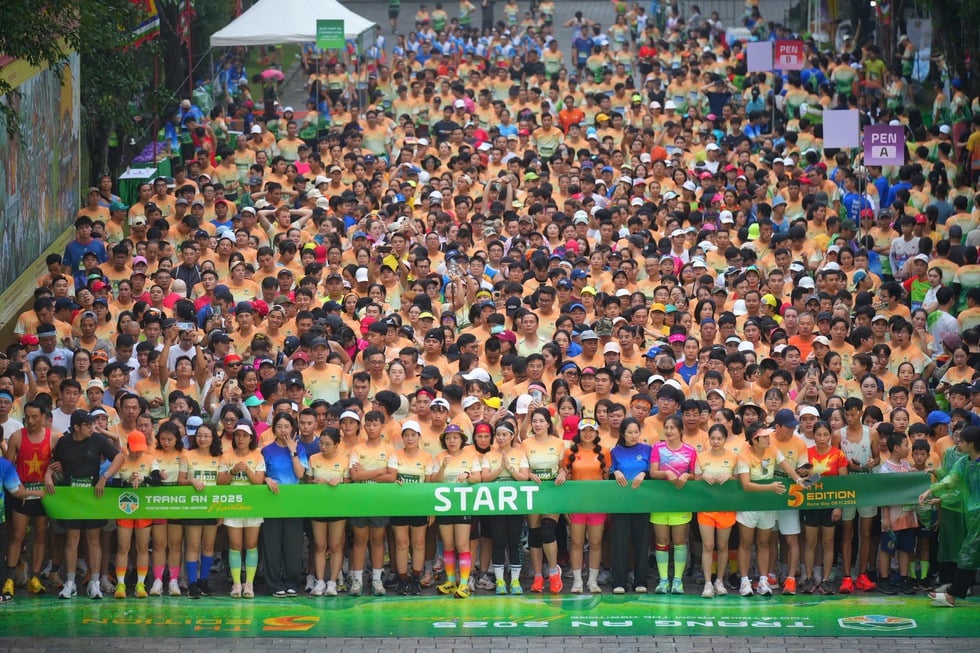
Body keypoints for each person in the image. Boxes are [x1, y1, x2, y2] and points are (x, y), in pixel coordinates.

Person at [44, 409, 124, 600]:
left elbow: (120, 457)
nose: (92, 427)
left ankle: (95, 583)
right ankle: (70, 582)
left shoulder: (97, 440)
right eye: (88, 425)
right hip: (71, 497)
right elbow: (55, 462)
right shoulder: (63, 442)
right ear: (76, 427)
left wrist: (105, 477)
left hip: (93, 496)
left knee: (93, 539)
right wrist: (49, 473)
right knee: (72, 539)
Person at [735, 424, 804, 597]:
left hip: (767, 505)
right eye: (764, 437)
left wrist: (798, 479)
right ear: (754, 440)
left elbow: (787, 467)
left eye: (768, 436)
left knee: (764, 542)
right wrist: (770, 487)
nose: (768, 439)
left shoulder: (772, 450)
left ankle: (763, 581)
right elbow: (746, 484)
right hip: (748, 505)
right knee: (745, 542)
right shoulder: (743, 456)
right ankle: (744, 582)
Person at [919, 426, 980, 607]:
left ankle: (953, 594)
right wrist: (931, 489)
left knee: (969, 552)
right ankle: (954, 593)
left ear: (971, 444)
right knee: (969, 552)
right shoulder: (962, 463)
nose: (957, 444)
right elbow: (950, 479)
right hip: (974, 516)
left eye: (961, 441)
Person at [3, 400, 58, 597]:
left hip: (43, 495)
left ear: (44, 417)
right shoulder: (16, 437)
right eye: (28, 417)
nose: (31, 421)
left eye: (35, 417)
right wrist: (18, 489)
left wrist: (51, 473)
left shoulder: (54, 438)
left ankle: (35, 577)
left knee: (41, 535)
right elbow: (7, 467)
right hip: (22, 494)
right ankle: (9, 578)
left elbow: (59, 465)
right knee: (17, 536)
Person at [558, 417, 609, 594]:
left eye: (591, 430)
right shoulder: (569, 453)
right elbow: (565, 478)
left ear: (596, 433)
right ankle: (578, 581)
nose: (587, 434)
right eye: (584, 430)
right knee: (577, 543)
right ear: (579, 433)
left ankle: (592, 581)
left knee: (595, 543)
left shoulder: (604, 451)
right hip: (577, 505)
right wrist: (566, 507)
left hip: (596, 505)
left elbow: (607, 479)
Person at [178, 421, 228, 599]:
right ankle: (192, 582)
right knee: (192, 545)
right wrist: (192, 481)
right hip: (193, 507)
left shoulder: (220, 458)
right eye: (200, 435)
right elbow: (180, 480)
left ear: (213, 437)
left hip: (212, 507)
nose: (203, 438)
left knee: (208, 545)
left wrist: (222, 510)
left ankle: (203, 581)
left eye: (207, 435)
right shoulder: (187, 455)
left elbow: (223, 486)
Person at [648, 415, 697, 594]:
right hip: (660, 501)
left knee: (679, 541)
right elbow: (653, 472)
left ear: (680, 431)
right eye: (666, 427)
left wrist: (687, 476)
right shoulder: (657, 448)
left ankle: (677, 580)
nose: (668, 431)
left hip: (681, 502)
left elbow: (695, 475)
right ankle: (663, 580)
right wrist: (667, 473)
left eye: (672, 428)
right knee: (661, 541)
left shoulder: (690, 451)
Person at [434, 423, 483, 598]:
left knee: (462, 545)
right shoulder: (440, 457)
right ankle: (450, 581)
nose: (452, 441)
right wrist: (443, 468)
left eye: (455, 437)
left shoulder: (470, 456)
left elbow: (478, 478)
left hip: (463, 505)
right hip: (445, 506)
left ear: (462, 439)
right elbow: (434, 482)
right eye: (448, 438)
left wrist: (468, 476)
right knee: (447, 545)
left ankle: (463, 583)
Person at [261, 412, 308, 597]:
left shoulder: (300, 449)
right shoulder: (266, 450)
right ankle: (274, 584)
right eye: (279, 426)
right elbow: (260, 473)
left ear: (293, 428)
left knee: (293, 545)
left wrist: (293, 451)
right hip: (272, 501)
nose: (283, 430)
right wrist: (266, 479)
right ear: (273, 429)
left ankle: (292, 583)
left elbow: (300, 474)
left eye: (287, 426)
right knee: (272, 545)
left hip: (293, 503)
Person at [520, 406, 566, 593]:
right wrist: (529, 474)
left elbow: (564, 467)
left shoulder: (558, 443)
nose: (538, 424)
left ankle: (554, 572)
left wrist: (563, 472)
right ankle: (538, 576)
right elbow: (522, 467)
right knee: (535, 535)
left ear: (548, 423)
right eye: (535, 421)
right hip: (532, 493)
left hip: (551, 492)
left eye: (541, 421)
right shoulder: (526, 443)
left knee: (548, 531)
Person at [799, 420, 848, 595]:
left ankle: (826, 580)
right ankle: (809, 578)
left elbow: (843, 483)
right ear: (814, 435)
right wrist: (815, 477)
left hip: (830, 505)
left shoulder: (838, 455)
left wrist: (838, 506)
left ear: (830, 436)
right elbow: (802, 481)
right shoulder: (806, 454)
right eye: (818, 434)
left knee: (828, 542)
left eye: (825, 434)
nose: (821, 438)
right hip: (811, 503)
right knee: (810, 542)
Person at [386, 420, 434, 595]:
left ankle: (415, 579)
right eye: (406, 435)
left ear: (419, 437)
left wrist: (431, 510)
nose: (409, 438)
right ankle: (402, 578)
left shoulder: (427, 457)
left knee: (419, 543)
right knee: (401, 543)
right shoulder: (395, 455)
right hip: (399, 506)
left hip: (419, 506)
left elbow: (429, 486)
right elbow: (391, 478)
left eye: (413, 435)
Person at [482, 420, 528, 594]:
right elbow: (484, 478)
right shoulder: (489, 456)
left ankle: (515, 581)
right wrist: (500, 468)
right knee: (499, 541)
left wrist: (510, 469)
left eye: (504, 435)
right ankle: (500, 580)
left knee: (513, 542)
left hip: (515, 505)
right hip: (495, 505)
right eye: (498, 435)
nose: (501, 438)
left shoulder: (519, 454)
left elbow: (524, 477)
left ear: (512, 436)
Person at [609, 416, 652, 594]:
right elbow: (610, 472)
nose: (634, 435)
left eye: (636, 432)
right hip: (620, 503)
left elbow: (653, 469)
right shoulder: (615, 451)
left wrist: (644, 473)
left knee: (642, 542)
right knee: (620, 541)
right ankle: (618, 582)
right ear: (623, 434)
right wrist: (616, 472)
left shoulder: (647, 449)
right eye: (630, 432)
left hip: (642, 502)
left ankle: (640, 580)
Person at [224, 418, 266, 598]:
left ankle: (249, 584)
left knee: (251, 544)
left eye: (244, 436)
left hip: (253, 505)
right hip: (232, 505)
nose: (240, 439)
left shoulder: (258, 456)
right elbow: (221, 482)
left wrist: (247, 470)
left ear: (251, 438)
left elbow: (259, 481)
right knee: (235, 544)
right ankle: (236, 584)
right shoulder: (226, 455)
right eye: (238, 435)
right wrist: (232, 471)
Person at [111, 430, 156, 599]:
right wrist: (127, 481)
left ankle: (140, 584)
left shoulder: (151, 460)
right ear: (128, 447)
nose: (137, 452)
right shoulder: (121, 460)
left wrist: (145, 479)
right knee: (123, 547)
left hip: (144, 509)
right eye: (134, 449)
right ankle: (121, 584)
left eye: (140, 449)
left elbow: (157, 480)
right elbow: (114, 483)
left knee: (142, 547)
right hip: (125, 508)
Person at [695, 424, 739, 598]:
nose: (715, 441)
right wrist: (702, 477)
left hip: (726, 508)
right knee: (708, 545)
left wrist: (730, 476)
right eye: (712, 438)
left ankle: (719, 581)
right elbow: (696, 479)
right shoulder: (701, 457)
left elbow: (740, 479)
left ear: (724, 439)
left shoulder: (733, 457)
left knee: (722, 546)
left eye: (719, 438)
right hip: (706, 507)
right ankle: (707, 583)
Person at [0, 444, 45, 602]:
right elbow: (16, 491)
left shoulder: (5, 465)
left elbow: (16, 490)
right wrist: (34, 492)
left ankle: (10, 583)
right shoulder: (5, 464)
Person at [148, 420, 184, 596]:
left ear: (177, 438)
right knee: (159, 544)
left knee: (175, 544)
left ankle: (174, 581)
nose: (166, 443)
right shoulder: (152, 453)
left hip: (177, 502)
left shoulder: (184, 454)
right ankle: (157, 580)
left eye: (170, 439)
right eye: (163, 439)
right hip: (158, 502)